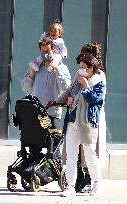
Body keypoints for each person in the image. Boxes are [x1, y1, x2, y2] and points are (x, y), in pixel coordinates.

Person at [57, 54, 106, 197]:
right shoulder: (77, 78)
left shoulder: (99, 81)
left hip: (88, 124)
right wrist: (69, 100)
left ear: (91, 68)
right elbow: (71, 93)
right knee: (71, 156)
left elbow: (95, 100)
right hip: (73, 121)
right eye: (80, 67)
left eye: (84, 67)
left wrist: (86, 85)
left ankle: (97, 183)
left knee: (90, 155)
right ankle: (70, 186)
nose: (81, 70)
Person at [21, 39, 71, 155]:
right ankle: (36, 170)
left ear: (54, 50)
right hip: (36, 113)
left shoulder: (62, 67)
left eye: (48, 50)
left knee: (53, 150)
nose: (45, 54)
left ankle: (54, 171)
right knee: (34, 148)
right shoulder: (37, 66)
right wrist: (31, 74)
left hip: (52, 113)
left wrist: (56, 70)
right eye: (43, 51)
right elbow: (25, 87)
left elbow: (66, 87)